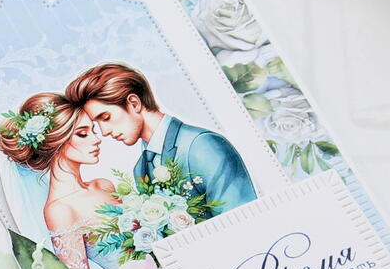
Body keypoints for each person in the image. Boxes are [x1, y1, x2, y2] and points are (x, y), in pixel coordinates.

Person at [64, 62, 256, 216]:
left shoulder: (202, 145)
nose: (104, 132)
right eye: (97, 123)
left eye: (106, 118)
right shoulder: (141, 168)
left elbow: (243, 218)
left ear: (134, 103)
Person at [0, 92, 120, 269]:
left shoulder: (104, 185)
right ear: (56, 142)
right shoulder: (60, 210)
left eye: (93, 131)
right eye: (83, 134)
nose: (96, 139)